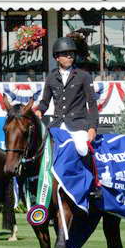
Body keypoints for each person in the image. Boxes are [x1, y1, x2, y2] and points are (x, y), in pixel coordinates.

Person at [35, 36, 101, 198]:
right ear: (57, 57)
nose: (70, 56)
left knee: (82, 147)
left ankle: (93, 184)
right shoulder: (51, 77)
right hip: (57, 124)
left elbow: (92, 104)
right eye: (65, 54)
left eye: (71, 53)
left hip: (78, 124)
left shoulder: (83, 76)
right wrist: (38, 112)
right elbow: (45, 102)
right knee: (44, 151)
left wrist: (92, 127)